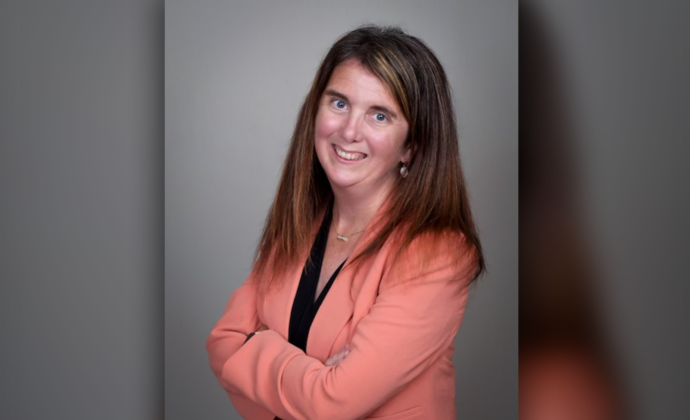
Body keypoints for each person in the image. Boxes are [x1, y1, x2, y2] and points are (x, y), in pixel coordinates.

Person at [206, 25, 485, 420]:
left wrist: (255, 348)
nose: (349, 131)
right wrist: (317, 378)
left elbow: (332, 404)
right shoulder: (300, 222)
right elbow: (221, 342)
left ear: (412, 146)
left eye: (379, 115)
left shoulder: (437, 253)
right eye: (339, 104)